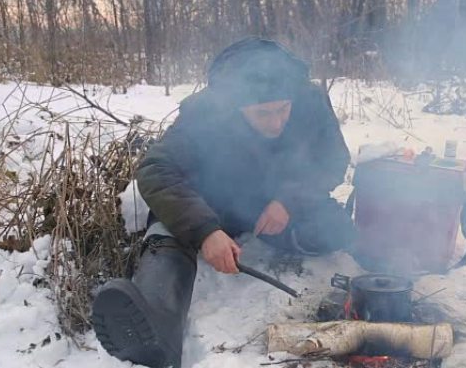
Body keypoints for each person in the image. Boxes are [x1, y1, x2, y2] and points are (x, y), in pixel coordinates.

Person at [91, 37, 357, 368]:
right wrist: (205, 231)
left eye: (282, 110)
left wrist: (288, 201)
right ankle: (158, 322)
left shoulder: (310, 98)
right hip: (211, 201)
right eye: (263, 114)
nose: (276, 123)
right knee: (167, 224)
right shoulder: (206, 111)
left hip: (271, 203)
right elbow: (156, 170)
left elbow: (333, 159)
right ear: (235, 105)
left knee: (336, 231)